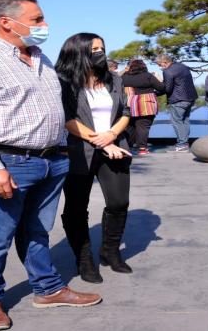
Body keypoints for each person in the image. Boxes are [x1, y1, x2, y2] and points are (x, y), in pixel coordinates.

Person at [0, 0, 101, 331]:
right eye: (36, 20)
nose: (44, 25)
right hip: (9, 162)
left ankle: (47, 288)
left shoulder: (41, 58)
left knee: (37, 231)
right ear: (6, 22)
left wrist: (63, 150)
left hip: (52, 162)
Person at [55, 33, 135, 284]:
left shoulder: (114, 79)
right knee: (77, 208)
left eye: (102, 47)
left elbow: (125, 112)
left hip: (115, 146)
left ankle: (110, 252)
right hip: (79, 150)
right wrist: (99, 141)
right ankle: (84, 258)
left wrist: (111, 136)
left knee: (119, 202)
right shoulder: (64, 81)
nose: (100, 53)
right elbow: (68, 119)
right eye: (94, 49)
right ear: (77, 52)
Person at [121, 59, 165, 155]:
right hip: (146, 104)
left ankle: (128, 148)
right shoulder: (148, 76)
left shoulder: (124, 77)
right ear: (143, 66)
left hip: (129, 104)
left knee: (130, 127)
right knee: (143, 127)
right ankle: (142, 148)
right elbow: (161, 88)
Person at [155, 54, 198, 152]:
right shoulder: (183, 66)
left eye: (159, 64)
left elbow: (167, 88)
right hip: (190, 98)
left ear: (165, 62)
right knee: (185, 120)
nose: (159, 67)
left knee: (177, 121)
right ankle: (184, 143)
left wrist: (154, 92)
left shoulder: (167, 71)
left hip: (178, 99)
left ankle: (182, 144)